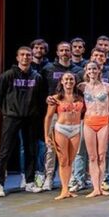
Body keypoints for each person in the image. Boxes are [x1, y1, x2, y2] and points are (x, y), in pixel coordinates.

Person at [0, 47, 46, 197]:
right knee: (5, 151)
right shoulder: (7, 76)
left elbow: (40, 99)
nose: (25, 57)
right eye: (22, 55)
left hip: (31, 118)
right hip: (12, 117)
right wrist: (8, 111)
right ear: (17, 58)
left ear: (31, 57)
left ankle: (29, 182)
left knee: (31, 151)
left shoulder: (37, 77)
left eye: (28, 55)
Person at [40, 41, 82, 190]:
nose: (65, 52)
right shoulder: (48, 69)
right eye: (62, 50)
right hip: (56, 112)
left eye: (67, 50)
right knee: (52, 149)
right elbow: (41, 88)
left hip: (73, 113)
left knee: (73, 153)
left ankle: (71, 179)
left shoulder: (78, 70)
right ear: (57, 53)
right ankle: (49, 177)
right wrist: (47, 98)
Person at [79, 61, 109, 198]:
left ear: (99, 70)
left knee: (102, 155)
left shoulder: (108, 87)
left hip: (104, 122)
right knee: (92, 156)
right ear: (86, 70)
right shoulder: (82, 87)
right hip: (89, 122)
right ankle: (95, 188)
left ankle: (100, 187)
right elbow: (65, 93)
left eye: (94, 69)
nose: (92, 71)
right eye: (89, 69)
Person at [44, 72, 84, 200]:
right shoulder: (55, 98)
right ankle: (64, 189)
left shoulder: (80, 97)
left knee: (71, 160)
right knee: (63, 160)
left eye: (71, 79)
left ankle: (68, 188)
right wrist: (46, 135)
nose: (68, 81)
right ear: (61, 81)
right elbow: (48, 117)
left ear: (75, 81)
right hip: (61, 129)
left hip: (76, 129)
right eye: (66, 79)